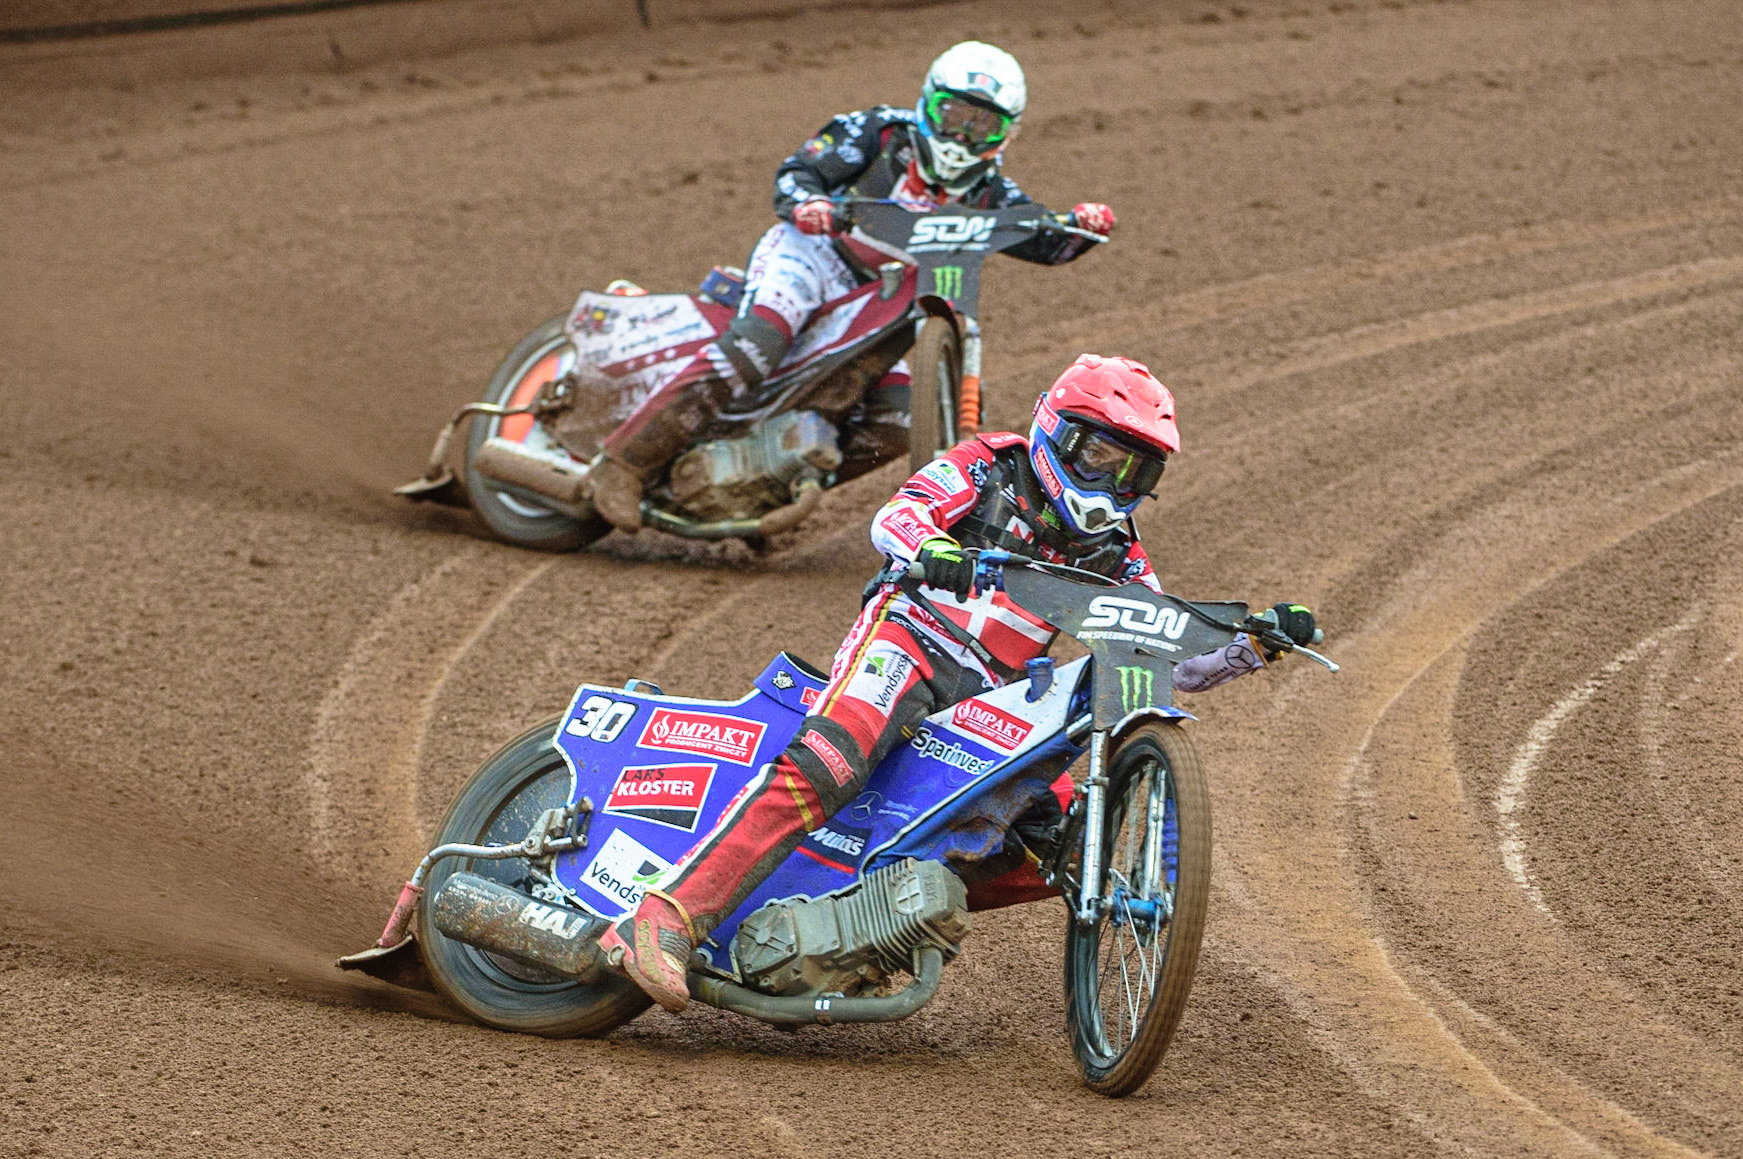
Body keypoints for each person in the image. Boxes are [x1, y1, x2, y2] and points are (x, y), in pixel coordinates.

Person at [597, 353, 1319, 1011]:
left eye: (1135, 472)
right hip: (909, 641)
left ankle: (861, 923)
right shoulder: (989, 465)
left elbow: (1164, 658)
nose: (1111, 484)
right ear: (1057, 432)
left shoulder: (1118, 551)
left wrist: (1250, 645)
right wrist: (935, 548)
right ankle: (664, 917)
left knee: (1059, 846)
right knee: (831, 761)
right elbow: (897, 516)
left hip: (995, 699)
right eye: (1099, 456)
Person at [588, 40, 1118, 532]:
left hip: (884, 301)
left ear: (1007, 134)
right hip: (814, 258)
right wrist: (809, 204)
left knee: (899, 418)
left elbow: (1042, 240)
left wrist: (1081, 228)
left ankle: (756, 491)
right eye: (953, 116)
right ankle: (624, 463)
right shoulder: (879, 133)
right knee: (759, 343)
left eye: (983, 126)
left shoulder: (991, 192)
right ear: (928, 103)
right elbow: (796, 172)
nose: (962, 137)